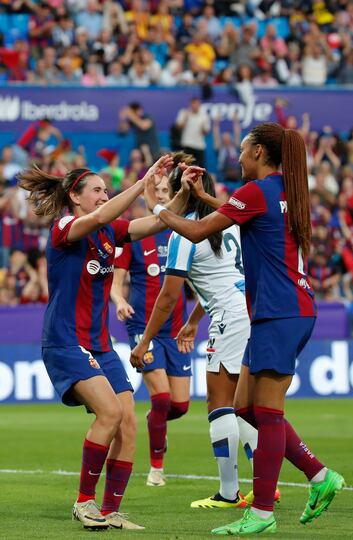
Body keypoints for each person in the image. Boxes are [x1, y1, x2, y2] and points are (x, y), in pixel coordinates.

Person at [140, 122, 345, 536]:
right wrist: (200, 196)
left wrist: (158, 209)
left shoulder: (256, 192)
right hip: (286, 309)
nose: (237, 156)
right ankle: (320, 475)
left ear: (257, 154)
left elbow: (198, 230)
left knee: (266, 414)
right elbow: (243, 211)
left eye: (243, 150)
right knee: (245, 408)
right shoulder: (285, 190)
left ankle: (263, 511)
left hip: (277, 312)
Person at [17, 155, 188, 531]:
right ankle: (84, 502)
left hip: (100, 345)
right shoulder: (66, 225)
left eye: (105, 191)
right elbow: (98, 217)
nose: (102, 195)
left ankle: (110, 510)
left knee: (128, 423)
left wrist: (183, 193)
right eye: (96, 190)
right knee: (109, 414)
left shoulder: (111, 233)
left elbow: (160, 220)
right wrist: (141, 182)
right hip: (65, 342)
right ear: (75, 197)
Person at [130, 164, 262, 510]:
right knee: (245, 408)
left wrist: (144, 341)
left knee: (220, 405)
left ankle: (229, 492)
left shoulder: (183, 235)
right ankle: (266, 488)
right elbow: (220, 279)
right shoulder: (228, 223)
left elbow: (169, 295)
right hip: (254, 311)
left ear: (180, 193)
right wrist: (191, 322)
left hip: (230, 320)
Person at [111, 153, 194, 488]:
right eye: (156, 189)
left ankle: (155, 420)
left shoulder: (183, 232)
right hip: (143, 328)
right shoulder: (133, 235)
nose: (160, 194)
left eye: (164, 189)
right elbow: (116, 284)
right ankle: (156, 469)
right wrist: (118, 301)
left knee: (181, 405)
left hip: (176, 331)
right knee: (161, 398)